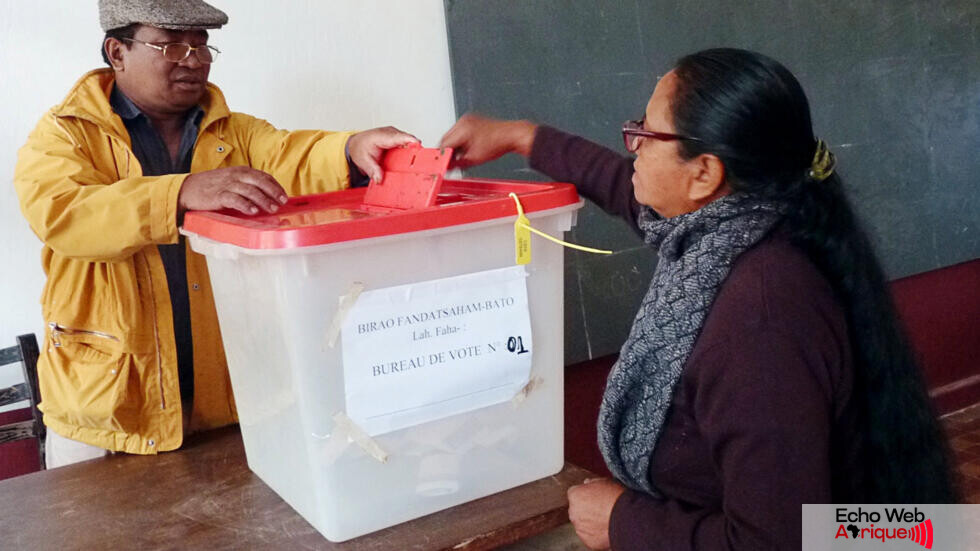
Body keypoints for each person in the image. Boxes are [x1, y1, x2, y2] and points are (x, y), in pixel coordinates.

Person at [440, 48, 957, 549]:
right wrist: (520, 137)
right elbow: (625, 184)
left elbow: (776, 542)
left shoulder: (760, 318)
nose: (633, 147)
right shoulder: (746, 222)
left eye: (646, 133)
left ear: (705, 172)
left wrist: (622, 522)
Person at [14, 0, 418, 468]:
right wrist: (181, 192)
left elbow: (293, 157)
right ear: (117, 52)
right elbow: (64, 215)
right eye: (170, 45)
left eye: (202, 45)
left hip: (229, 406)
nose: (193, 59)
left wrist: (350, 148)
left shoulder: (236, 133)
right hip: (107, 419)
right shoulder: (64, 136)